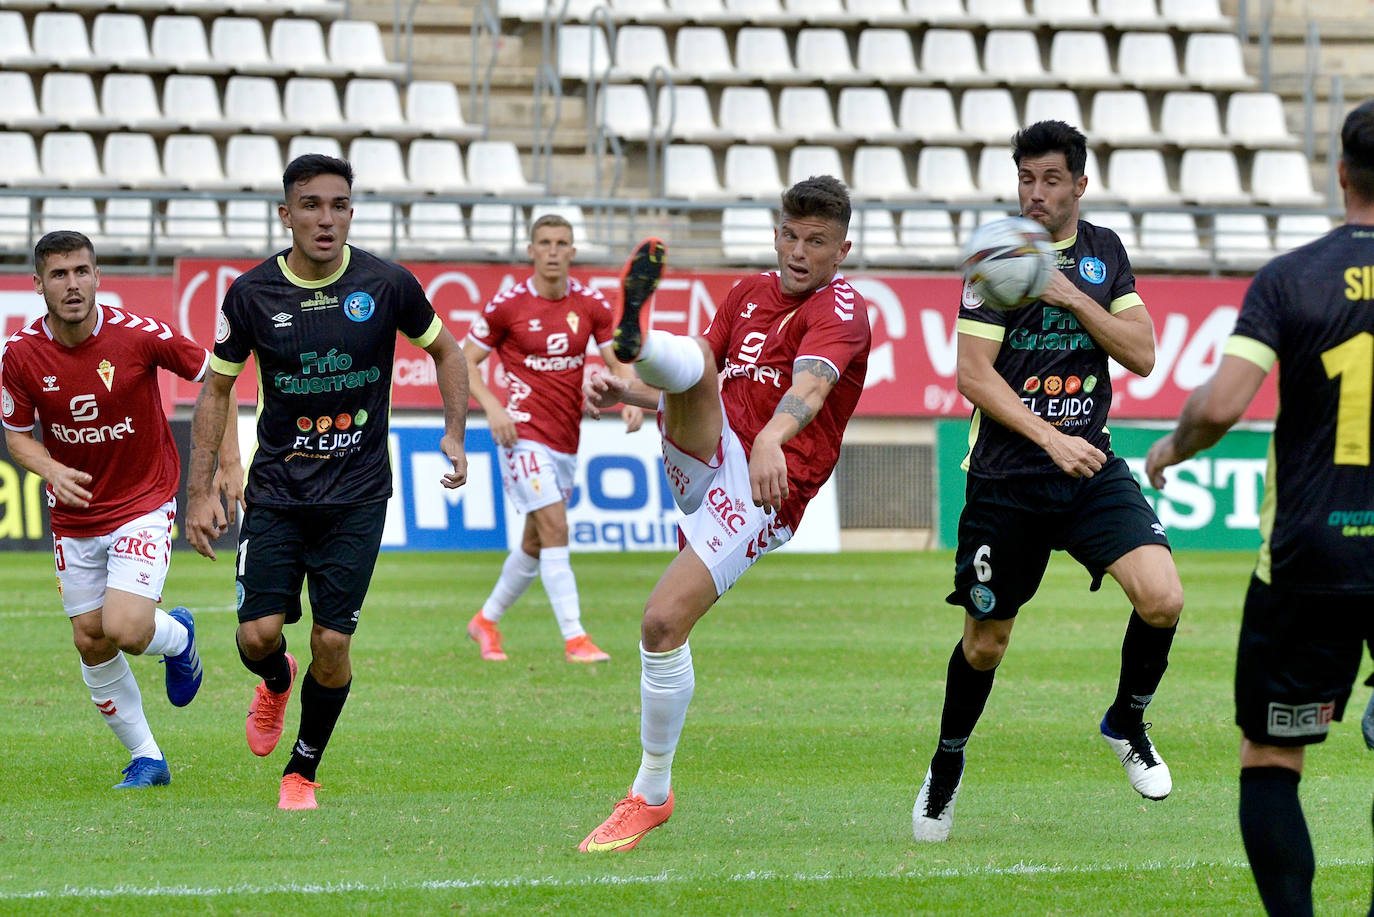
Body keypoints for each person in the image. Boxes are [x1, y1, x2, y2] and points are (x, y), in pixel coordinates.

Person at [577, 175, 871, 852]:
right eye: (790, 235)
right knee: (699, 369)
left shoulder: (844, 310)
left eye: (817, 240)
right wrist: (627, 391)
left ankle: (651, 792)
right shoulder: (746, 292)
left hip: (771, 485)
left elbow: (813, 386)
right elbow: (705, 374)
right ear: (776, 234)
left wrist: (772, 438)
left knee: (660, 621)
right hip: (712, 453)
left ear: (842, 249)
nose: (800, 250)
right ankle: (638, 344)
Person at [912, 120, 1185, 843]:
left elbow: (1143, 353)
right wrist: (1048, 437)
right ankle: (947, 761)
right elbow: (973, 377)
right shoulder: (994, 259)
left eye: (1051, 179)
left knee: (1163, 598)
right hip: (1007, 479)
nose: (1036, 193)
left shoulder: (1104, 254)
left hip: (1090, 469)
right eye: (1026, 178)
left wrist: (1070, 298)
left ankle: (1126, 720)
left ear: (1080, 185)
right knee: (985, 644)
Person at [1144, 100, 1374, 916]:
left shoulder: (1291, 279)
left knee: (1272, 755)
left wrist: (1171, 449)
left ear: (1340, 172)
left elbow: (1222, 406)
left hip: (1310, 553)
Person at [184, 154, 469, 811]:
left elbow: (447, 352)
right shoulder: (252, 294)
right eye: (310, 204)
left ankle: (302, 770)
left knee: (333, 642)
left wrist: (453, 433)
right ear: (285, 214)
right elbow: (217, 387)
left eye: (339, 204)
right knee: (257, 635)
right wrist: (202, 489)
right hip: (278, 492)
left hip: (358, 495)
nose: (325, 218)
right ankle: (275, 680)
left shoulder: (387, 283)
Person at [1, 230, 241, 788]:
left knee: (127, 627)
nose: (72, 284)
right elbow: (17, 437)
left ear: (98, 277)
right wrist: (50, 468)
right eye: (59, 275)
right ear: (38, 285)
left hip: (142, 501)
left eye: (82, 271)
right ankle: (148, 759)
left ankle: (177, 636)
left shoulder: (137, 335)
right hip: (75, 519)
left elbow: (217, 378)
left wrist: (227, 465)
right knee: (91, 637)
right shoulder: (20, 356)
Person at [463, 213, 643, 664]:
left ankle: (485, 620)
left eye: (561, 243)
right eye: (544, 242)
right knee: (557, 527)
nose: (553, 251)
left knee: (535, 542)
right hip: (521, 434)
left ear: (572, 252)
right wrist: (493, 406)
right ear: (531, 250)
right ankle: (575, 638)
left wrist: (632, 396)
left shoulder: (591, 305)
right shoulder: (507, 305)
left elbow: (617, 360)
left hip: (565, 438)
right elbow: (462, 363)